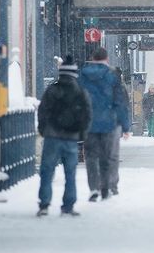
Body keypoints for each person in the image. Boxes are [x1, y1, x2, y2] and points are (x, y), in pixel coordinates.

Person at [37, 55, 92, 217]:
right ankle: (68, 205)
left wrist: (43, 129)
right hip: (71, 137)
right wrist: (81, 134)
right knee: (70, 173)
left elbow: (42, 111)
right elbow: (87, 114)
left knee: (47, 171)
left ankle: (44, 204)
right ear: (75, 74)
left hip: (52, 136)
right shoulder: (80, 92)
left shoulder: (52, 90)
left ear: (61, 73)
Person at [79, 48, 130, 201]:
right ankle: (107, 187)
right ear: (107, 59)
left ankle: (94, 188)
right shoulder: (112, 76)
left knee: (91, 157)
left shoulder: (83, 75)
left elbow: (78, 99)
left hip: (89, 122)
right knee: (108, 156)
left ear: (92, 58)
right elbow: (119, 103)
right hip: (109, 123)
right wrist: (125, 126)